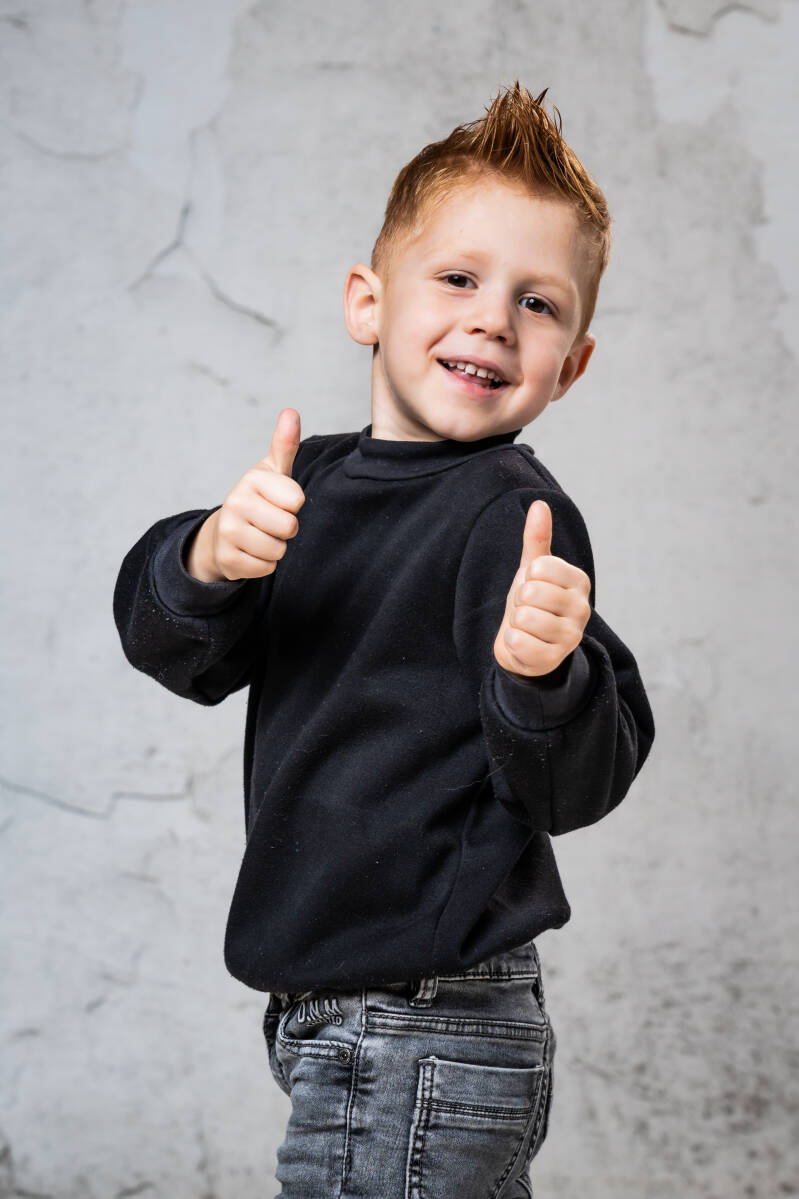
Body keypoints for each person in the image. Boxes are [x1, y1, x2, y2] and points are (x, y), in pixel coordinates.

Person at [113, 82, 655, 1198]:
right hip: (348, 1009)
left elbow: (573, 782)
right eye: (458, 279)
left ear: (571, 364)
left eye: (536, 302)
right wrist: (206, 558)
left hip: (424, 1011)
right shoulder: (306, 485)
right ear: (367, 301)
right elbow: (181, 655)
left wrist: (543, 673)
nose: (492, 319)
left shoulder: (511, 516)